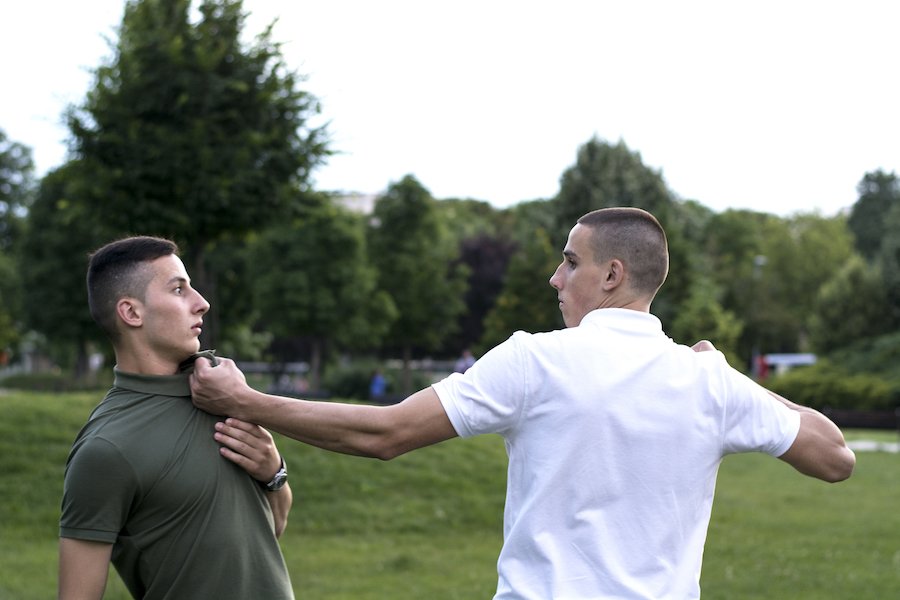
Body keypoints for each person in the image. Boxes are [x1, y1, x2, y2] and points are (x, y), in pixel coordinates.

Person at [190, 207, 855, 599]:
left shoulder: (534, 360)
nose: (555, 277)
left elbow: (385, 434)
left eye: (570, 261)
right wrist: (731, 375)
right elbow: (834, 456)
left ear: (612, 275)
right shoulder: (710, 382)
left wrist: (246, 399)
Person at [59, 236, 294, 600]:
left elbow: (272, 531)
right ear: (131, 313)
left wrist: (274, 473)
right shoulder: (105, 449)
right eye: (179, 290)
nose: (202, 303)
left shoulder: (221, 395)